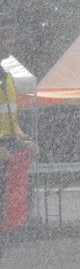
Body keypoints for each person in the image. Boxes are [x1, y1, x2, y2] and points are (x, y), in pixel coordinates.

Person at [0, 14, 38, 248]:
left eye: (11, 38)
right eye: (4, 38)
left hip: (8, 152)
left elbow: (11, 122)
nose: (10, 43)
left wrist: (24, 141)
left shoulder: (8, 78)